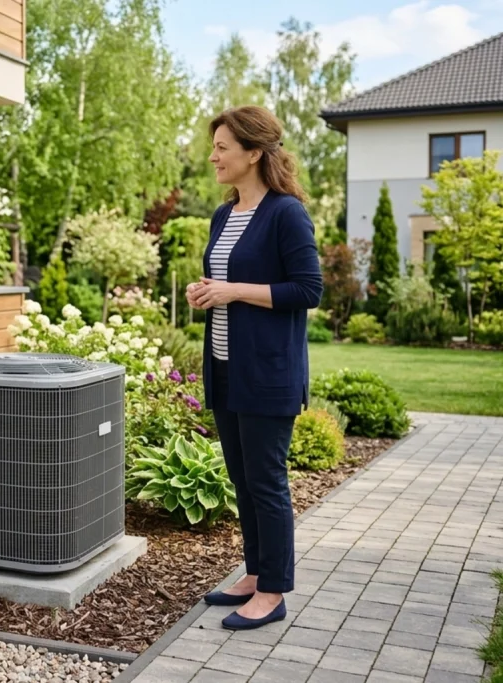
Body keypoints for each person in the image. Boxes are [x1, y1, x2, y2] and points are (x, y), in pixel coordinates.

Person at [185, 105, 323, 631]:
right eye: (214, 146)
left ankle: (274, 591)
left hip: (268, 374)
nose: (214, 155)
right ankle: (254, 571)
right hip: (225, 368)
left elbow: (307, 290)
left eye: (223, 147)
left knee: (267, 482)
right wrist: (207, 291)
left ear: (254, 154)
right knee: (242, 479)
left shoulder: (286, 213)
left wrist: (233, 290)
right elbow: (224, 281)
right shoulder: (225, 214)